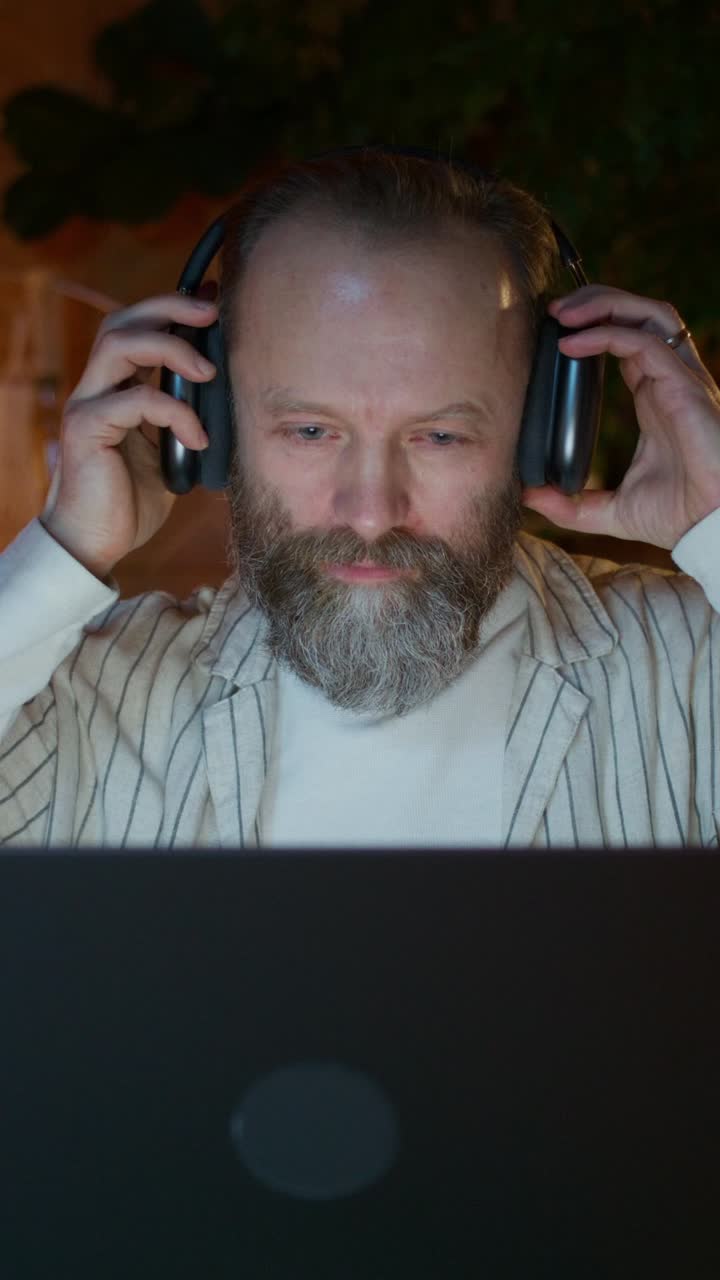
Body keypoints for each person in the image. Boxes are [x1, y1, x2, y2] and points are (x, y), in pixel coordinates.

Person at [1, 149, 719, 850]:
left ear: (545, 428)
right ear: (212, 422)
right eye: (311, 431)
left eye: (440, 436)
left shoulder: (690, 673)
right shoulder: (84, 700)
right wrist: (67, 548)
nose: (372, 512)